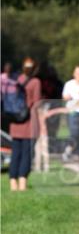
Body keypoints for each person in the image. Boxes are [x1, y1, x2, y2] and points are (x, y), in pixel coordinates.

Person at [8, 58, 42, 191]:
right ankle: (22, 184)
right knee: (26, 154)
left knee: (15, 153)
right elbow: (37, 103)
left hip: (15, 122)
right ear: (35, 69)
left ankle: (13, 184)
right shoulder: (35, 82)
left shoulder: (15, 80)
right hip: (29, 123)